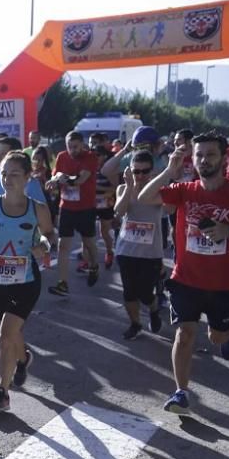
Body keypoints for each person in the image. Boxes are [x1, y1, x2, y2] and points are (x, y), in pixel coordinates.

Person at [137, 133, 229, 414]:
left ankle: (226, 336)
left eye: (210, 154)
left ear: (224, 159)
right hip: (186, 279)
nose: (204, 160)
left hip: (224, 283)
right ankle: (181, 392)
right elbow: (144, 197)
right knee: (185, 334)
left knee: (216, 337)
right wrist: (169, 170)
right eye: (199, 155)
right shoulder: (185, 189)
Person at [0, 151, 55, 412]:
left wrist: (43, 245)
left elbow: (49, 236)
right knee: (11, 332)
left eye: (15, 174)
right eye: (4, 173)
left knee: (5, 336)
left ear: (28, 177)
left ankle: (2, 392)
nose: (8, 179)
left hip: (26, 281)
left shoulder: (37, 208)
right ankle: (24, 358)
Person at [113, 150, 165, 340]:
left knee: (144, 293)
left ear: (152, 172)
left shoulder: (158, 191)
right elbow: (119, 211)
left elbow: (169, 207)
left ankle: (153, 309)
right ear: (131, 171)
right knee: (129, 292)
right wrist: (128, 186)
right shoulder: (122, 189)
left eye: (145, 171)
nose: (141, 176)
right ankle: (135, 324)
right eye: (137, 171)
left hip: (150, 252)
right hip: (126, 250)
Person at [46, 131, 100, 296]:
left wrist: (64, 178)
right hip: (67, 207)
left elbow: (80, 180)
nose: (72, 150)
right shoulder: (62, 156)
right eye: (70, 147)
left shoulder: (90, 157)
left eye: (76, 147)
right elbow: (55, 175)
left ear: (82, 145)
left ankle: (94, 266)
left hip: (85, 207)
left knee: (88, 242)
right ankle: (62, 283)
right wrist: (53, 181)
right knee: (63, 246)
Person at [90, 134, 117, 271]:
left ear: (104, 156)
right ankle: (87, 259)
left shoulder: (108, 169)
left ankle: (109, 252)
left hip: (106, 203)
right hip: (92, 203)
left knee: (104, 232)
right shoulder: (90, 169)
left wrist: (99, 189)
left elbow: (114, 188)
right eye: (93, 155)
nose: (95, 158)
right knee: (88, 232)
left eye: (98, 156)